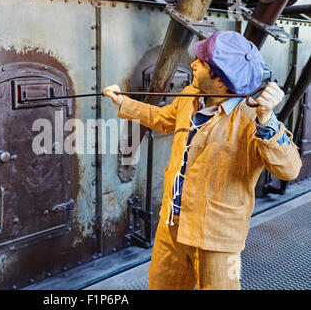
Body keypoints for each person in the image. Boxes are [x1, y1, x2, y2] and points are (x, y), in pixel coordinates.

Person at [103, 31, 302, 290]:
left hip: (217, 239)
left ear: (219, 80)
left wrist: (268, 121)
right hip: (172, 224)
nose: (193, 64)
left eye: (201, 62)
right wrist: (124, 102)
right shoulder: (192, 96)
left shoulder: (253, 119)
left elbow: (289, 169)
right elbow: (164, 119)